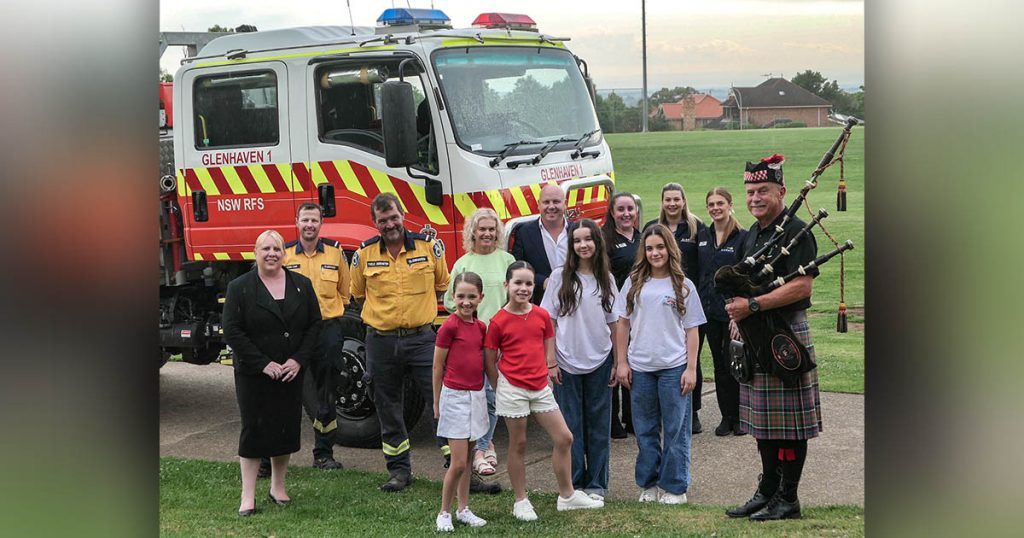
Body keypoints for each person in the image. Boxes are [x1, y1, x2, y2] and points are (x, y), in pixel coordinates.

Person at [724, 154, 822, 521]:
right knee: (764, 423)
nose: (754, 198)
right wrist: (738, 315)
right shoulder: (752, 235)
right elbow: (740, 282)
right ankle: (767, 491)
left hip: (786, 335)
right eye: (750, 192)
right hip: (755, 335)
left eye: (762, 190)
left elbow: (801, 285)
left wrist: (753, 306)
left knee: (790, 425)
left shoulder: (797, 230)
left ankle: (789, 497)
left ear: (781, 191)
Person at [484, 261, 605, 520]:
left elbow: (548, 338)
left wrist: (549, 364)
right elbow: (490, 359)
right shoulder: (498, 321)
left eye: (528, 283)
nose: (523, 288)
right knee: (519, 443)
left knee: (564, 437)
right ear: (507, 285)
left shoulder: (540, 315)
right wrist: (499, 387)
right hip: (512, 389)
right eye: (518, 283)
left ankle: (567, 495)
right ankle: (521, 500)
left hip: (540, 387)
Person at [349, 192, 451, 492]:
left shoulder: (429, 247)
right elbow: (357, 293)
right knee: (388, 407)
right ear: (374, 223)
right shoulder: (363, 254)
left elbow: (443, 284)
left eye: (393, 217)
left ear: (403, 215)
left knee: (441, 403)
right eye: (383, 221)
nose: (390, 224)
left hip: (422, 339)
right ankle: (399, 471)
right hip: (381, 342)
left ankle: (458, 466)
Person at [222, 230, 322, 516]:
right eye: (265, 248)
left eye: (277, 249)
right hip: (254, 374)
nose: (272, 254)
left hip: (290, 373)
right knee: (254, 430)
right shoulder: (239, 288)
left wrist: (298, 360)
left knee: (285, 428)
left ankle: (278, 487)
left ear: (284, 252)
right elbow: (233, 331)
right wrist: (263, 363)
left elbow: (315, 325)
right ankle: (248, 496)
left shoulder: (301, 285)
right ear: (256, 252)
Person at [614, 224, 706, 505]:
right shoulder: (633, 283)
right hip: (640, 367)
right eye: (650, 248)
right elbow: (622, 323)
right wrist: (621, 362)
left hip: (673, 367)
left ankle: (676, 486)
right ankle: (649, 484)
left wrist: (691, 368)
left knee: (675, 429)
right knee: (644, 429)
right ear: (644, 251)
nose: (655, 253)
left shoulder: (683, 285)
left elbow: (692, 330)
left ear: (670, 249)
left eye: (660, 247)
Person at [258, 202, 349, 474]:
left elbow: (345, 292)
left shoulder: (335, 252)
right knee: (281, 394)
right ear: (296, 222)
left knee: (326, 395)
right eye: (305, 220)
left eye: (314, 220)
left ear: (322, 224)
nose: (309, 225)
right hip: (292, 334)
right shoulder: (283, 254)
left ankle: (323, 454)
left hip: (326, 332)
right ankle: (267, 458)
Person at [541, 219, 618, 500]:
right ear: (571, 246)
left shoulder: (606, 279)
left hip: (600, 360)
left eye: (588, 239)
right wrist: (550, 360)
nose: (583, 245)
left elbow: (615, 322)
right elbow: (547, 320)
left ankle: (597, 484)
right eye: (577, 241)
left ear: (597, 243)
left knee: (599, 425)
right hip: (566, 361)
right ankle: (574, 485)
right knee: (570, 427)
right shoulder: (560, 277)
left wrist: (619, 360)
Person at [443, 208, 515, 479]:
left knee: (495, 399)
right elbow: (452, 301)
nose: (487, 233)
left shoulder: (507, 259)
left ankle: (484, 446)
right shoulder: (463, 263)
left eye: (492, 229)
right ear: (472, 232)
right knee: (480, 398)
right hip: (474, 342)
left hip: (503, 342)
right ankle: (481, 451)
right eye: (482, 229)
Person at [644, 183, 708, 433]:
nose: (672, 204)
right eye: (667, 199)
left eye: (676, 199)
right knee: (667, 358)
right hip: (662, 302)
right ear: (662, 202)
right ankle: (664, 411)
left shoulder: (695, 227)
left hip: (687, 299)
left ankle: (692, 412)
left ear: (684, 201)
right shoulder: (653, 227)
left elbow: (704, 263)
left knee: (692, 358)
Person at [433, 272, 490, 532]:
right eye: (461, 297)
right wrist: (436, 403)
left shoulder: (480, 328)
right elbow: (437, 366)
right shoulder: (449, 327)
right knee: (457, 462)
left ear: (480, 298)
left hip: (475, 395)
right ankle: (444, 512)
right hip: (454, 397)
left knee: (468, 460)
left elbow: (486, 364)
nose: (466, 302)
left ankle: (463, 508)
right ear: (452, 298)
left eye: (471, 297)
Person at [696, 188, 748, 437]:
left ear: (730, 205)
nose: (716, 208)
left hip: (731, 314)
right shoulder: (702, 236)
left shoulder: (742, 237)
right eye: (711, 204)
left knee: (734, 364)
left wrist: (739, 314)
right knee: (718, 365)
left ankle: (740, 417)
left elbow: (746, 278)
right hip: (708, 313)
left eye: (720, 203)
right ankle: (725, 417)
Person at [601, 191, 641, 439]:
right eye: (621, 209)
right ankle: (612, 420)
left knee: (631, 362)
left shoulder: (642, 237)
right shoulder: (606, 239)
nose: (626, 214)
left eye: (630, 209)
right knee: (615, 362)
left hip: (638, 312)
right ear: (612, 213)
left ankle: (631, 417)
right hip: (613, 313)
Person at [509, 183, 569, 304]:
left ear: (565, 204)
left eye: (556, 202)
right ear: (538, 205)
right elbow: (519, 268)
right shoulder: (524, 233)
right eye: (546, 202)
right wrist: (543, 282)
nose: (551, 206)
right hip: (540, 302)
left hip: (575, 300)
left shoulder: (576, 231)